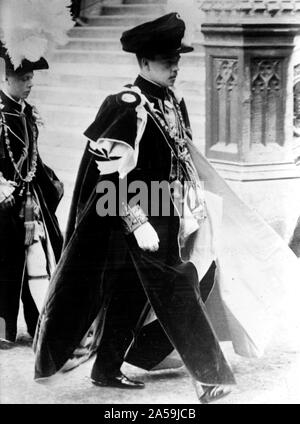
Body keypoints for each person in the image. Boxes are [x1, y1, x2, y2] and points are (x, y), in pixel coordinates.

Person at [33, 13, 300, 404]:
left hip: (168, 209)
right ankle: (211, 376)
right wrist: (137, 221)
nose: (174, 67)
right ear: (143, 62)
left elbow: (182, 159)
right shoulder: (127, 104)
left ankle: (105, 367)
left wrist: (192, 208)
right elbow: (109, 176)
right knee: (176, 286)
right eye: (165, 60)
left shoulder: (171, 101)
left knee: (133, 292)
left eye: (177, 59)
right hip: (132, 210)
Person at [0, 47, 64, 346]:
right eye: (24, 77)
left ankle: (40, 322)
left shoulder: (25, 111)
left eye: (31, 78)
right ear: (6, 77)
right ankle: (4, 330)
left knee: (42, 257)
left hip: (30, 197)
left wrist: (49, 181)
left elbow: (32, 158)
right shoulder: (1, 113)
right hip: (4, 199)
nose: (29, 83)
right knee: (7, 264)